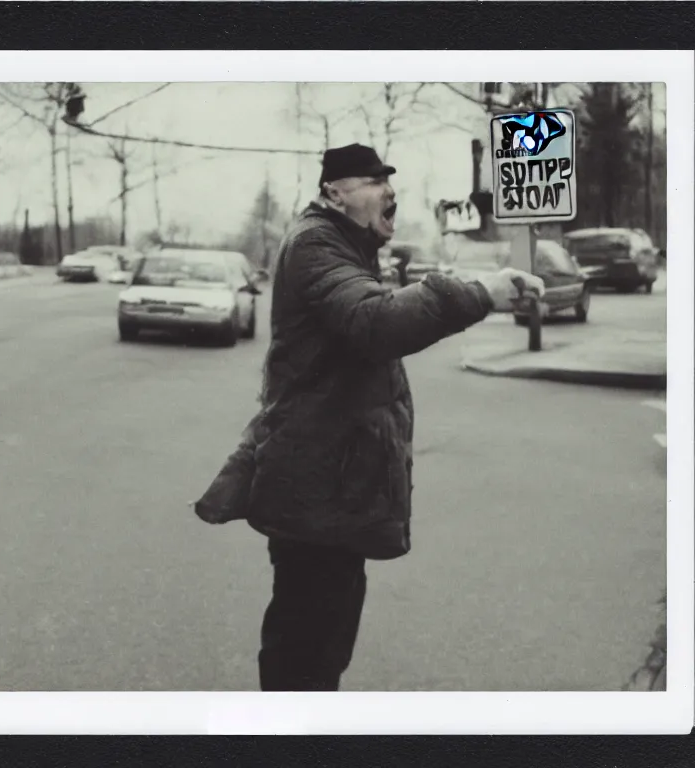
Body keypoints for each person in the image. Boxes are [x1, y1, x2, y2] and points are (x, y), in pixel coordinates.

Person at [193, 144, 544, 692]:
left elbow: (371, 311)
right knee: (305, 647)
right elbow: (373, 320)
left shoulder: (348, 246)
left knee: (323, 642)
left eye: (389, 181)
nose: (389, 191)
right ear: (333, 192)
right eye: (373, 181)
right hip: (317, 487)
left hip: (333, 484)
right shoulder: (315, 243)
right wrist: (479, 293)